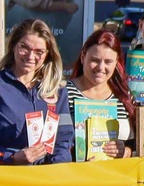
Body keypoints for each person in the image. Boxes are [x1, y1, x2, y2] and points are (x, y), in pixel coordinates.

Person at [0, 19, 64, 164]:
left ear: (47, 55)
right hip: (5, 180)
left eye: (39, 52)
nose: (30, 56)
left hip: (46, 181)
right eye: (24, 47)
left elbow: (63, 141)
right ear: (13, 46)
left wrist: (55, 170)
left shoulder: (57, 91)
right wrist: (10, 157)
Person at [52, 27, 133, 163]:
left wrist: (126, 151)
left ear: (116, 62)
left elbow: (137, 144)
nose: (101, 67)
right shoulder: (63, 93)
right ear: (83, 57)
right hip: (74, 178)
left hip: (114, 179)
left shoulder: (124, 96)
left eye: (108, 62)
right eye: (95, 60)